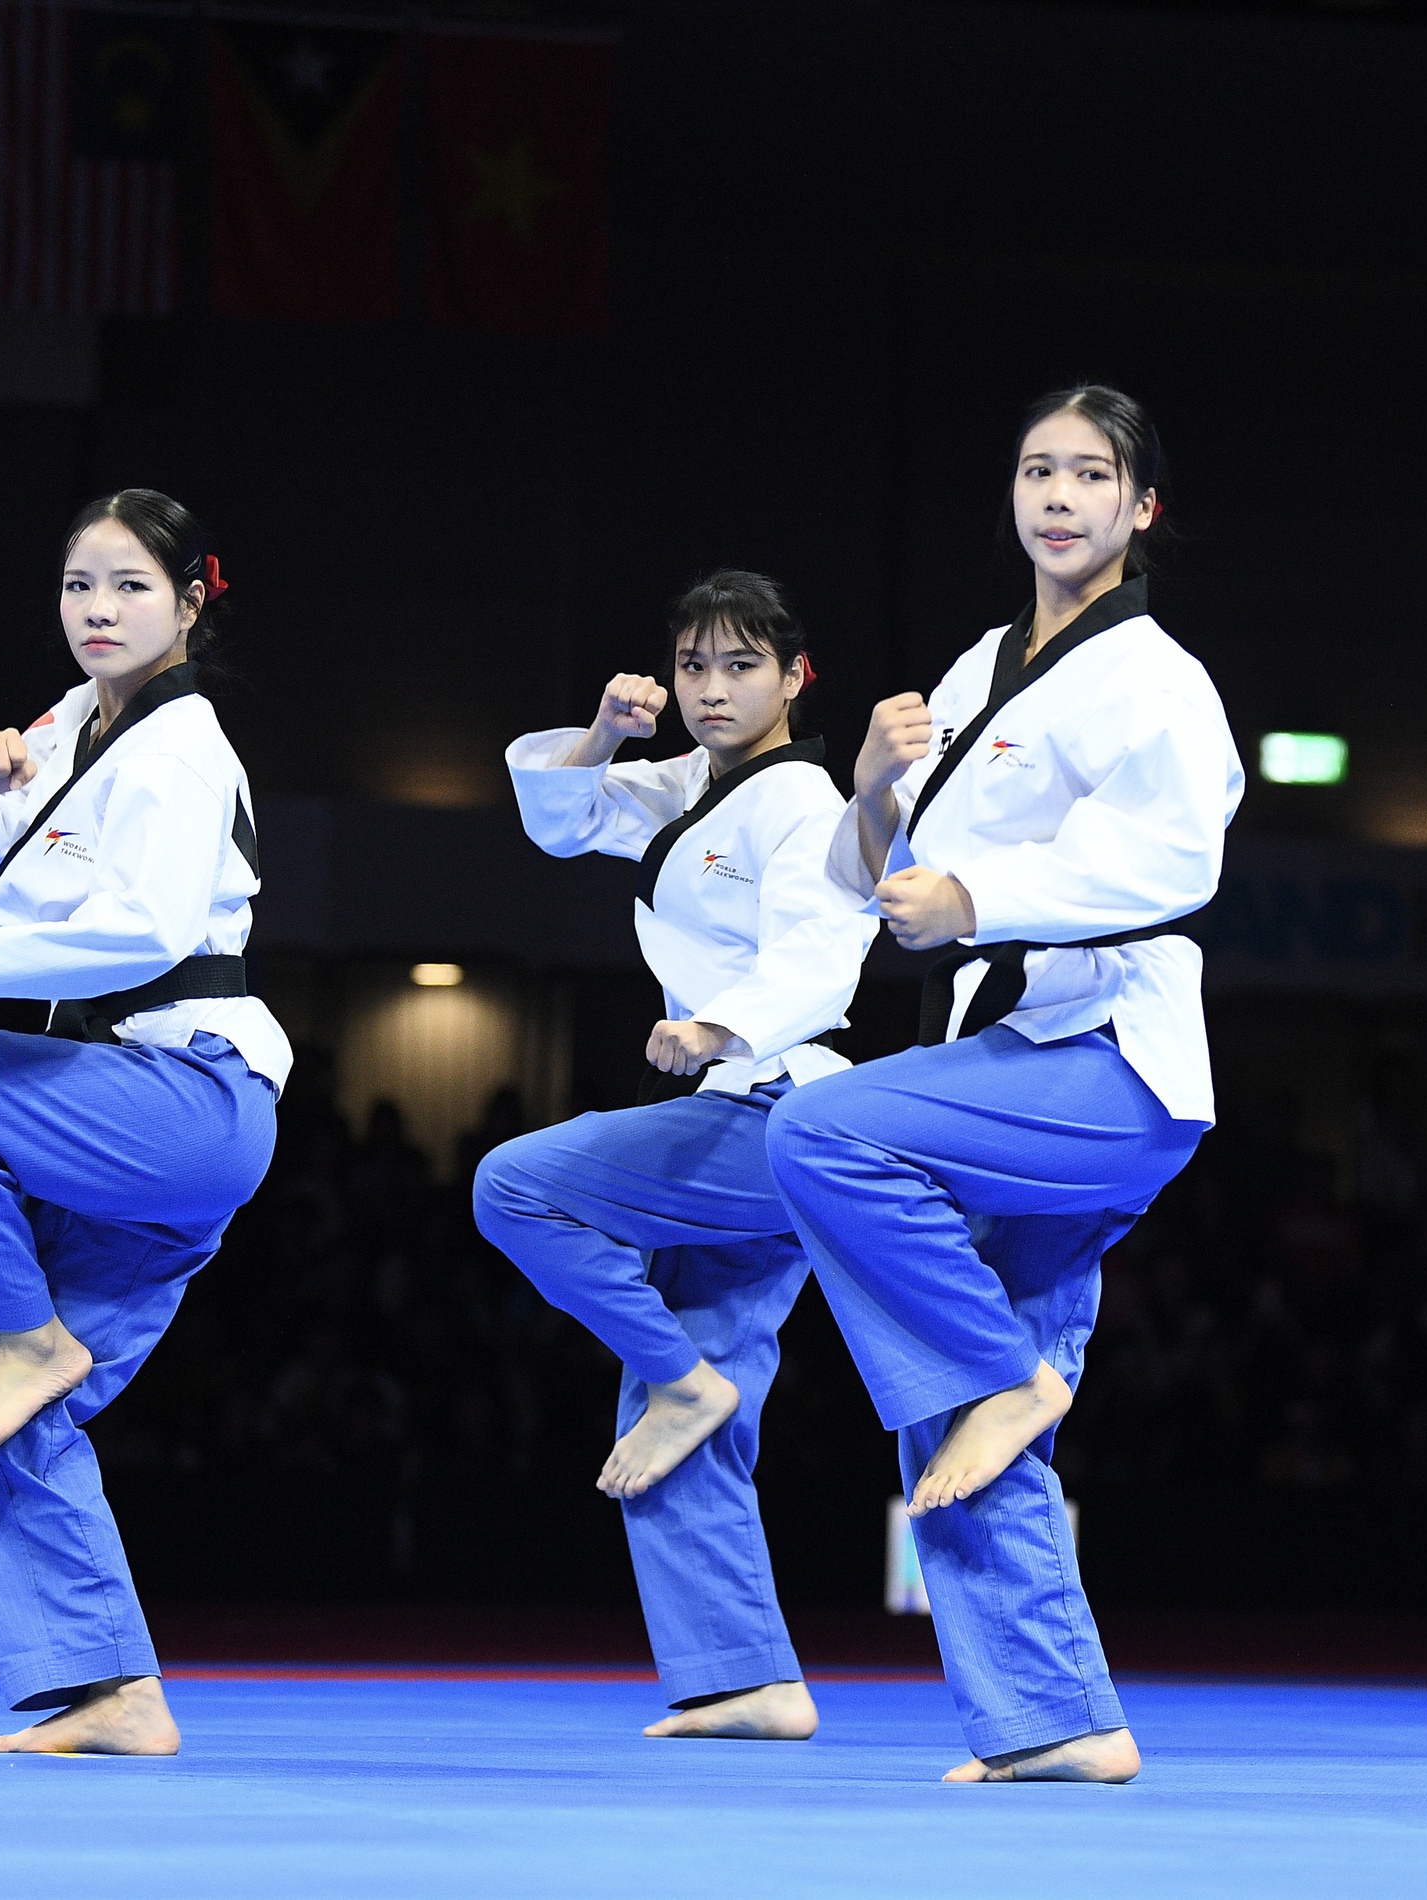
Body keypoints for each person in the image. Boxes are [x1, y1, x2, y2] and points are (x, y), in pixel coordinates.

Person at [764, 386, 1242, 1783]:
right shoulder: (980, 668)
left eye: (1090, 474)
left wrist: (980, 893)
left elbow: (1176, 863)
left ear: (1139, 507)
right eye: (1038, 469)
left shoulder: (1156, 675)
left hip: (1103, 1063)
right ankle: (1055, 1721)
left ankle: (1008, 1379)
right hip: (994, 1062)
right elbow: (880, 884)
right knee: (959, 1410)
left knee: (824, 1137)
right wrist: (863, 793)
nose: (1058, 495)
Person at [0, 489, 289, 1756]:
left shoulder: (182, 744)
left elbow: (144, 933)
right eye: (76, 585)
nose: (95, 609)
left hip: (186, 1095)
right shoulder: (71, 727)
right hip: (128, 1124)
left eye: (129, 587)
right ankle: (111, 1693)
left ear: (190, 602)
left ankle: (34, 1336)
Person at [474, 571, 876, 1740]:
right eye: (694, 665)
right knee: (679, 1403)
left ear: (795, 679)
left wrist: (718, 1025)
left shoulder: (803, 804)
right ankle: (744, 1677)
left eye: (740, 665)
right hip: (745, 1117)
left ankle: (682, 1379)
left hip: (773, 1106)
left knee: (517, 1184)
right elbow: (558, 820)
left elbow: (822, 953)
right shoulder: (685, 786)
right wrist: (603, 729)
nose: (710, 687)